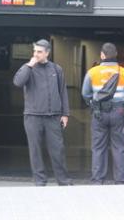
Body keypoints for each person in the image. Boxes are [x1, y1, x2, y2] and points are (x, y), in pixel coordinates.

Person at [13, 39, 73, 186]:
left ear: (47, 53)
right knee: (35, 150)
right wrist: (29, 65)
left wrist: (65, 114)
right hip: (33, 116)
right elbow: (18, 82)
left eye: (39, 52)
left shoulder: (56, 69)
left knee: (57, 149)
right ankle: (40, 180)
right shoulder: (28, 68)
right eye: (34, 51)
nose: (36, 54)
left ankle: (63, 180)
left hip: (53, 117)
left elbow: (62, 92)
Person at [82, 43, 124, 185]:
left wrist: (94, 105)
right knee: (120, 146)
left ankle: (98, 179)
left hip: (99, 113)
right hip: (119, 112)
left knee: (98, 147)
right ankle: (121, 179)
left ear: (102, 55)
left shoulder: (92, 72)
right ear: (115, 54)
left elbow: (85, 93)